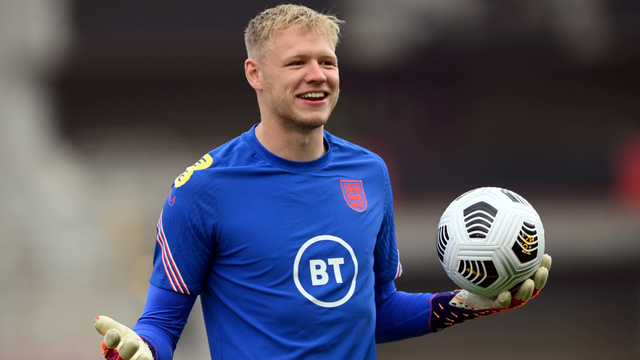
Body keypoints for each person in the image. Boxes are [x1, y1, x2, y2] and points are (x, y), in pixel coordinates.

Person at [94, 4, 551, 360]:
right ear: (255, 74)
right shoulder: (202, 189)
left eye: (326, 62)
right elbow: (161, 323)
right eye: (296, 63)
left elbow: (377, 310)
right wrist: (143, 350)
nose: (317, 76)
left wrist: (471, 303)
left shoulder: (370, 172)